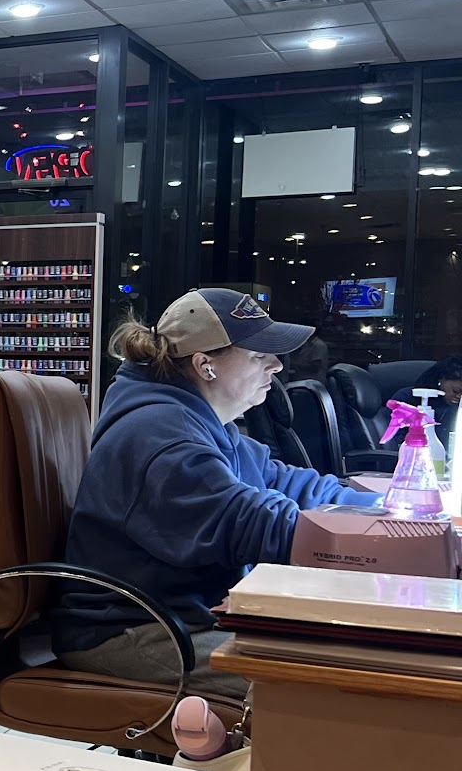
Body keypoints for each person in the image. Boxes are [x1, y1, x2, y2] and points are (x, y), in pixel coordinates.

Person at [54, 288, 379, 697]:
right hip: (133, 629)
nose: (277, 365)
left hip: (182, 613)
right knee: (320, 684)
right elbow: (249, 521)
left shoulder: (200, 421)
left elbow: (284, 482)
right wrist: (376, 543)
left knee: (341, 656)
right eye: (258, 355)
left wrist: (386, 510)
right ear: (204, 365)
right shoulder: (161, 434)